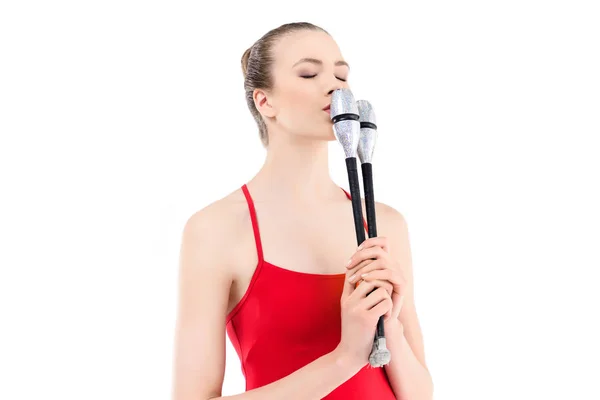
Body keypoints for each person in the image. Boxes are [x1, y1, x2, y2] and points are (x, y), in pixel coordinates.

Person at [172, 22, 433, 400]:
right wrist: (345, 357)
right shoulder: (214, 230)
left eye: (341, 74)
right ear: (265, 102)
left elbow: (420, 392)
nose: (335, 85)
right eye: (310, 73)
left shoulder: (385, 223)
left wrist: (388, 326)